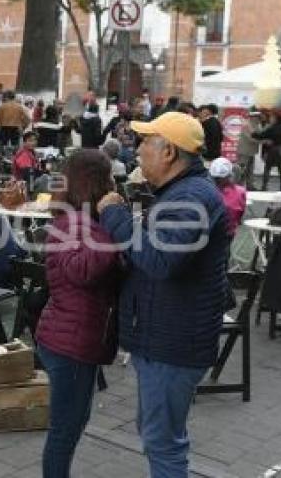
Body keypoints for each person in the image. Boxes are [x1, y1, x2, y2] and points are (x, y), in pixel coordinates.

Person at [96, 111, 229, 477]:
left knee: (162, 443)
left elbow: (159, 259)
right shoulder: (181, 192)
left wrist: (115, 217)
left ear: (168, 151)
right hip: (165, 337)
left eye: (144, 143)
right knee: (158, 434)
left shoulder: (192, 197)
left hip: (174, 344)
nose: (136, 151)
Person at [36, 149, 122, 477]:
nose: (114, 182)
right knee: (64, 430)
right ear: (94, 182)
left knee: (73, 423)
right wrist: (110, 231)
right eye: (109, 177)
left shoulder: (75, 219)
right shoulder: (77, 222)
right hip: (70, 342)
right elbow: (81, 270)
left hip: (70, 337)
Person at [209, 157, 246, 239]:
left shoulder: (206, 191)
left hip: (209, 233)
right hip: (229, 232)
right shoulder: (241, 192)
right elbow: (240, 216)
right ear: (230, 174)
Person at [253, 111, 281, 191]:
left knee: (267, 168)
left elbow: (261, 136)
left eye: (272, 118)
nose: (271, 119)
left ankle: (264, 186)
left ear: (276, 119)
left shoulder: (271, 128)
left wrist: (253, 134)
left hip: (272, 149)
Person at [236, 110, 262, 189]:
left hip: (251, 152)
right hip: (244, 151)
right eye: (257, 117)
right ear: (252, 117)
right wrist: (263, 141)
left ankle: (250, 185)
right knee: (242, 170)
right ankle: (238, 186)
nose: (258, 119)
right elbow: (251, 138)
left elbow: (260, 134)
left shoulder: (257, 125)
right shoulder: (246, 125)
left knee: (250, 170)